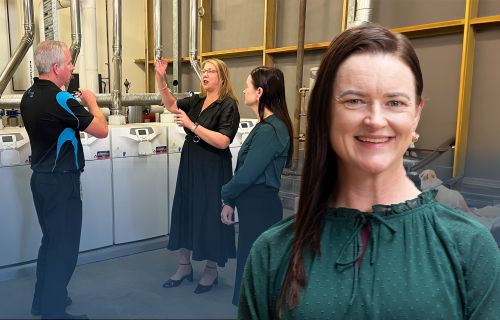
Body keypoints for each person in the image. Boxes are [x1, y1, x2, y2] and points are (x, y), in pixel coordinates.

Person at [238, 24, 500, 319]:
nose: (375, 120)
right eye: (354, 100)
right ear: (325, 112)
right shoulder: (273, 251)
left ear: (416, 113)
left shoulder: (470, 248)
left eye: (395, 102)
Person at [20, 40, 108, 319]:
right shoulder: (60, 99)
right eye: (69, 62)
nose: (72, 67)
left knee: (51, 243)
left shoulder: (29, 95)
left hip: (42, 181)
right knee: (64, 249)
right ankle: (53, 311)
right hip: (61, 184)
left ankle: (43, 301)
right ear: (57, 67)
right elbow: (102, 130)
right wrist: (92, 103)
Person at [155, 58, 240, 294]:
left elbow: (223, 141)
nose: (205, 74)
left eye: (211, 71)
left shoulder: (228, 105)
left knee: (210, 214)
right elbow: (171, 105)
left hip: (213, 167)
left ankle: (211, 269)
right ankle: (184, 266)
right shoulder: (197, 100)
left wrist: (192, 126)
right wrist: (160, 78)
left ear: (222, 76)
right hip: (191, 161)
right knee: (187, 208)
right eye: (203, 71)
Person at [220, 66, 293, 305]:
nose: (243, 90)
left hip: (261, 205)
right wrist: (232, 200)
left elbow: (248, 173)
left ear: (259, 92)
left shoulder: (272, 129)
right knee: (250, 263)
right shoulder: (264, 126)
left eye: (248, 86)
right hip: (252, 204)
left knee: (256, 267)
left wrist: (225, 194)